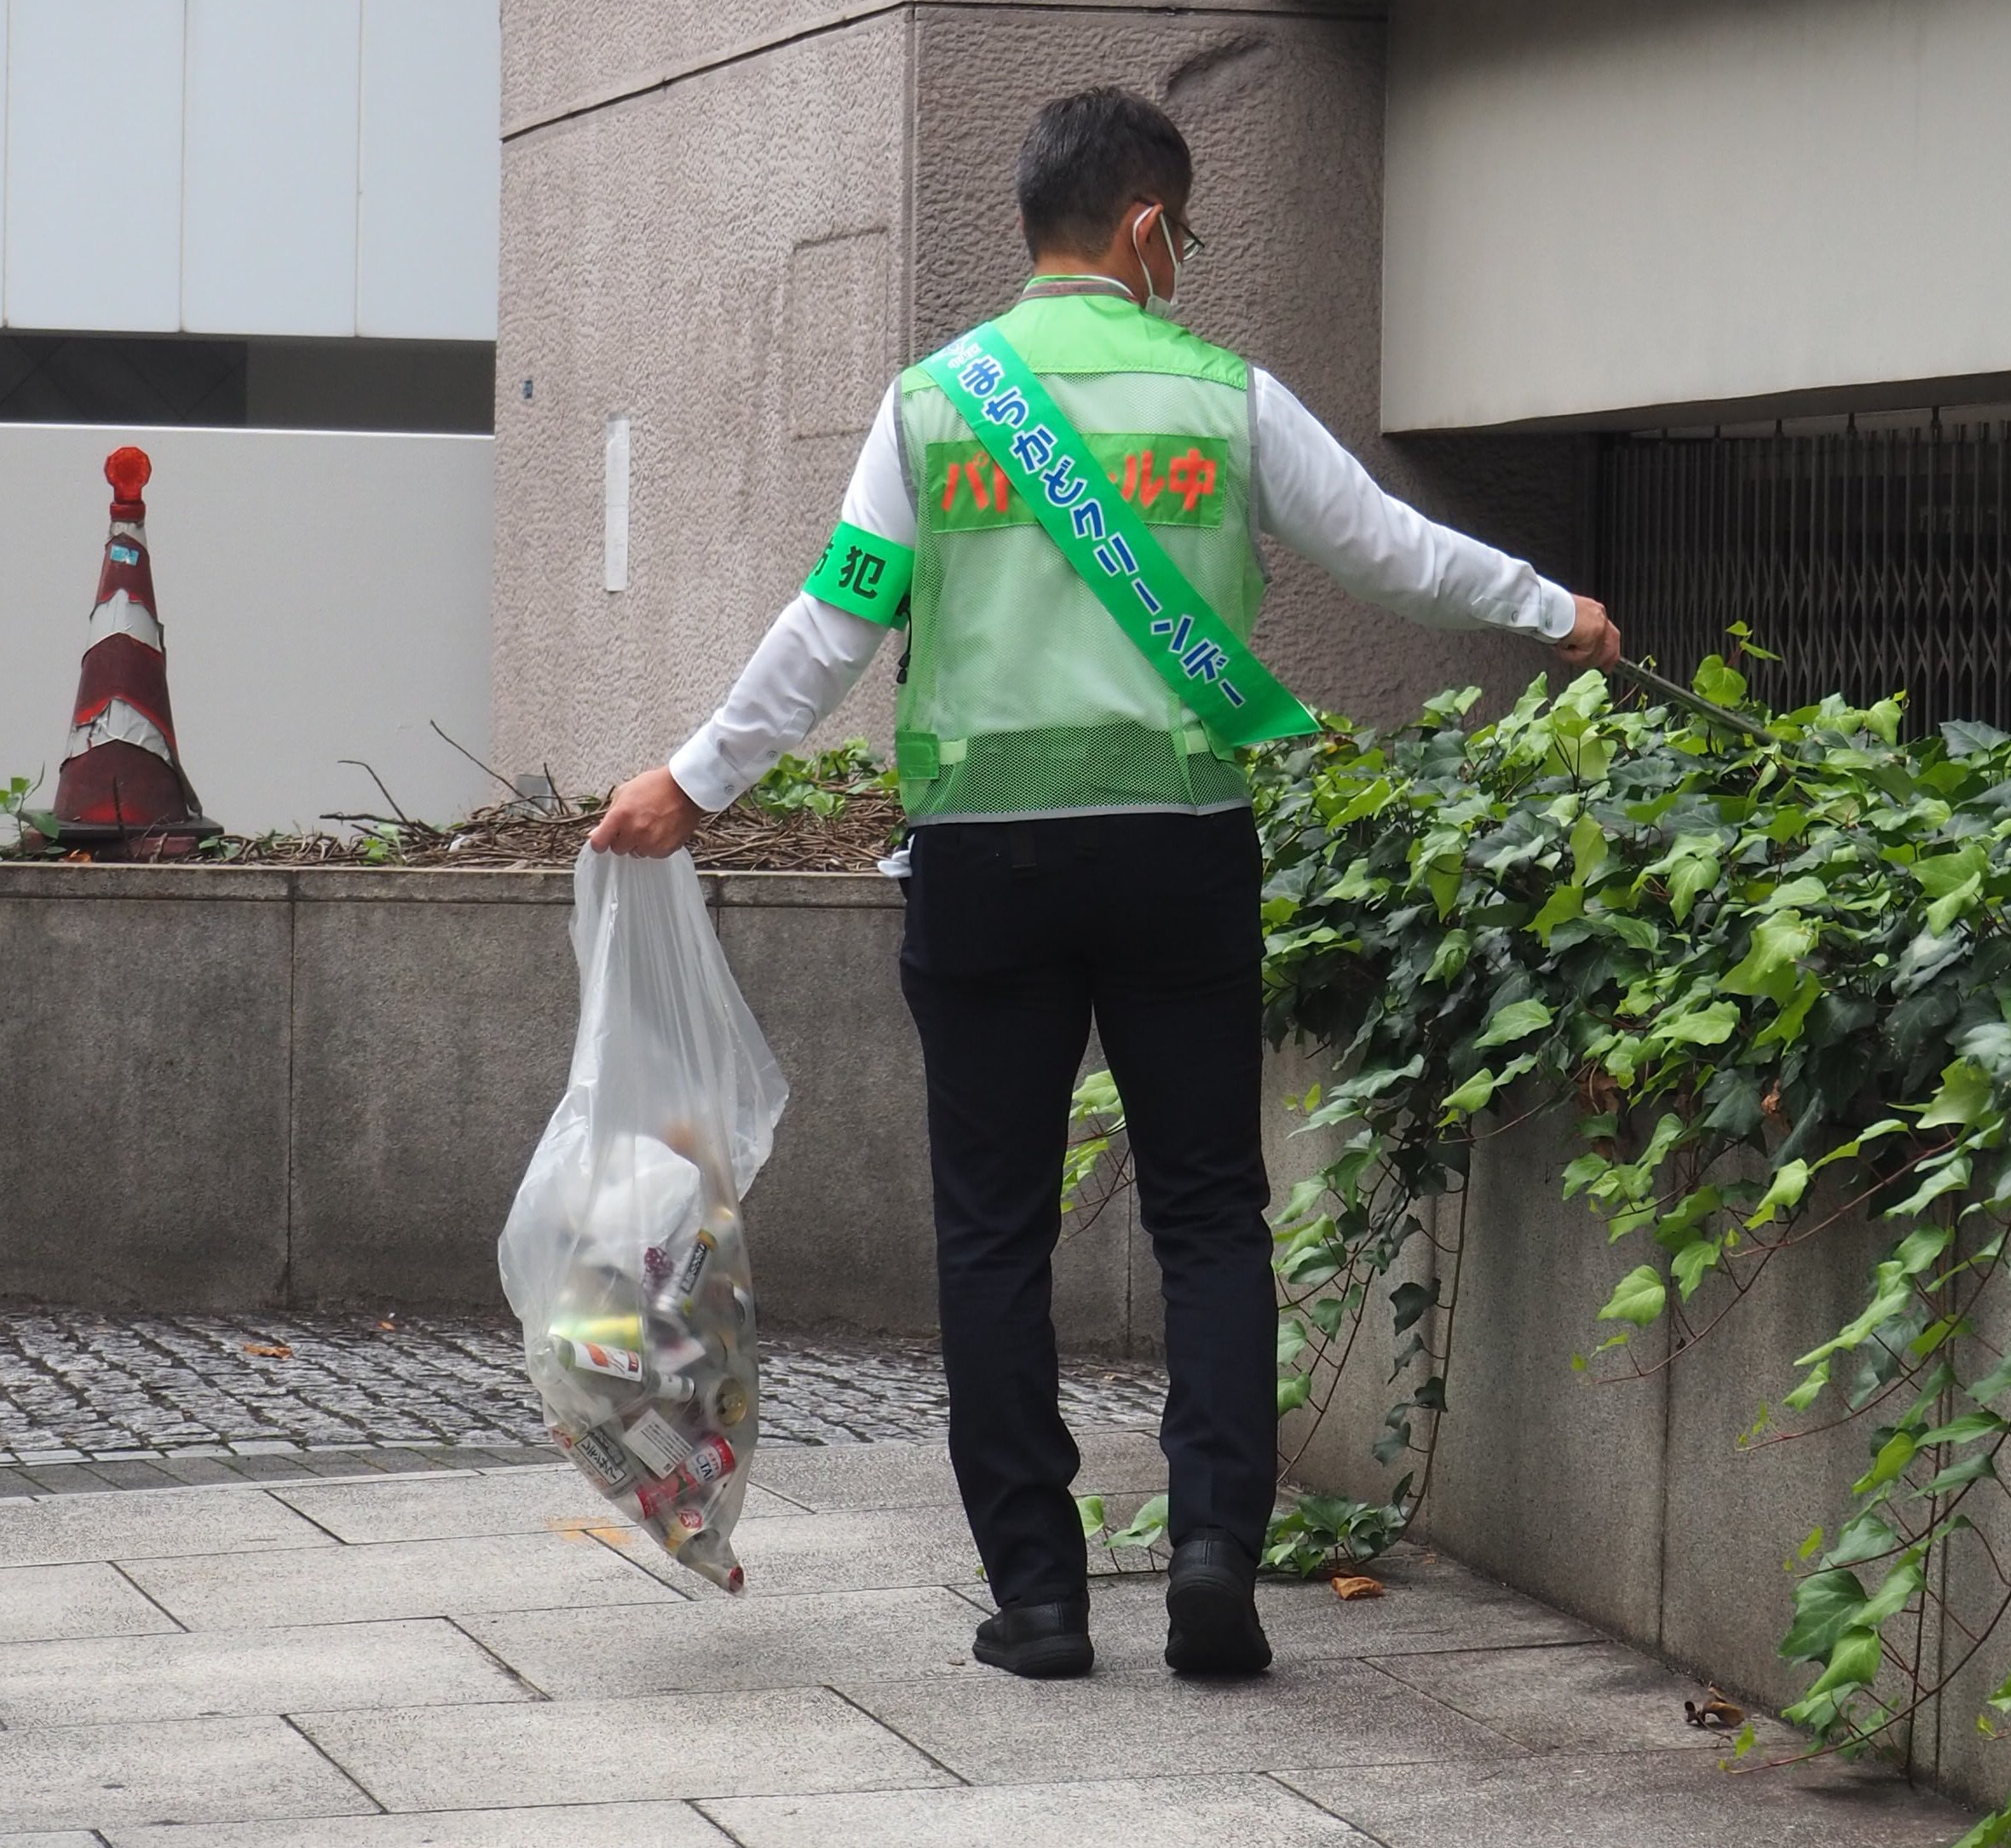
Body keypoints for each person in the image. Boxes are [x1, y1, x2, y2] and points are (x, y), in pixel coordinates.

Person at [592, 86, 1620, 1682]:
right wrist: (1555, 610)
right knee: (1211, 1212)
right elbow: (1393, 553)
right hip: (1177, 849)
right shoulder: (1225, 399)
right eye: (1184, 235)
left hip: (984, 869)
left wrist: (694, 780)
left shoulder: (933, 406)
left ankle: (1043, 1601)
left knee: (993, 1232)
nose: (1184, 263)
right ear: (1146, 226)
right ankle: (1214, 1549)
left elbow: (835, 623)